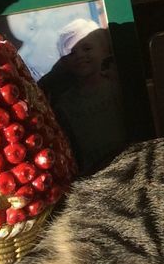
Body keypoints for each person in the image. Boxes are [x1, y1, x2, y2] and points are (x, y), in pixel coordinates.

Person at [47, 17, 126, 174]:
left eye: (87, 48)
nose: (80, 56)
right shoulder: (64, 104)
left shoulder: (116, 87)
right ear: (64, 62)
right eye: (71, 53)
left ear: (104, 50)